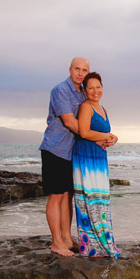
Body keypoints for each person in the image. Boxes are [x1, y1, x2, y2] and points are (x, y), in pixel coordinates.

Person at [38, 57, 117, 256]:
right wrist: (98, 139)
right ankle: (56, 242)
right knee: (56, 196)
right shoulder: (60, 90)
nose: (80, 73)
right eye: (77, 69)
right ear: (70, 69)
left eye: (84, 70)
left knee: (68, 196)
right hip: (55, 149)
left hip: (72, 152)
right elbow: (72, 123)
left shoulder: (83, 93)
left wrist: (99, 137)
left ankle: (66, 238)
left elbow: (89, 123)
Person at [73, 72, 120, 258]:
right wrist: (108, 137)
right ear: (84, 90)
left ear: (102, 88)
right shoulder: (86, 107)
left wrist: (113, 138)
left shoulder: (103, 109)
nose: (95, 91)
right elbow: (84, 132)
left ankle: (103, 242)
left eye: (98, 87)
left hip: (99, 158)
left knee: (101, 200)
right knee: (89, 200)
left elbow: (101, 134)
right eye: (90, 87)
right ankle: (90, 247)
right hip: (86, 157)